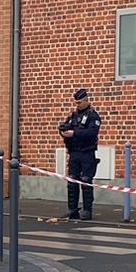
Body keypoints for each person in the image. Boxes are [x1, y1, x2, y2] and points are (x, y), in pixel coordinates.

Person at [56, 87, 102, 222]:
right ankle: (72, 209)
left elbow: (92, 133)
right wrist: (63, 131)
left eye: (80, 102)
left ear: (87, 101)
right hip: (74, 152)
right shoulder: (73, 116)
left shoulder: (93, 116)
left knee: (86, 181)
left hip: (87, 152)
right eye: (76, 103)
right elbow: (65, 127)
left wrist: (75, 133)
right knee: (72, 180)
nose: (78, 105)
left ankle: (87, 210)